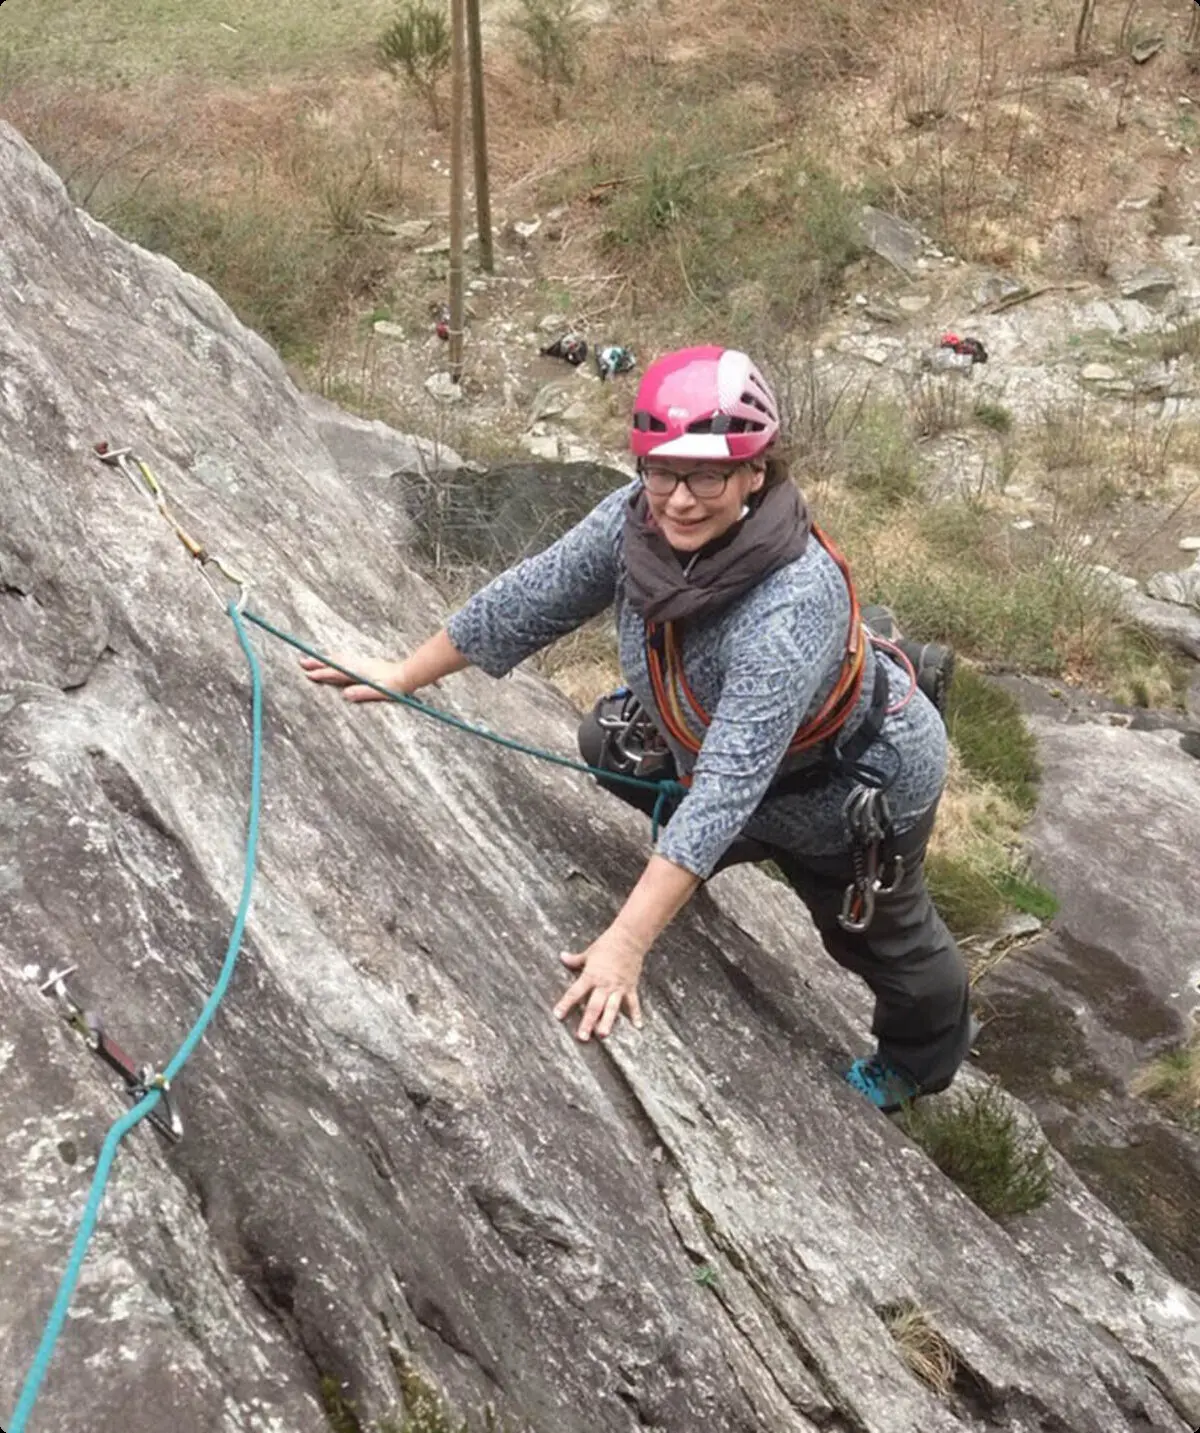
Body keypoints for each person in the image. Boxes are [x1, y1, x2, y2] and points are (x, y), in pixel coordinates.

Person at [301, 346, 973, 1112]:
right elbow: (530, 598)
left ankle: (916, 1065)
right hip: (711, 756)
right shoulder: (635, 525)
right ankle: (694, 870)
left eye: (707, 475)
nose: (680, 499)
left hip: (850, 791)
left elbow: (726, 789)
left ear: (756, 472)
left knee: (881, 941)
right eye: (662, 471)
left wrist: (625, 943)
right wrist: (399, 673)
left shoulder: (792, 601)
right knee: (604, 743)